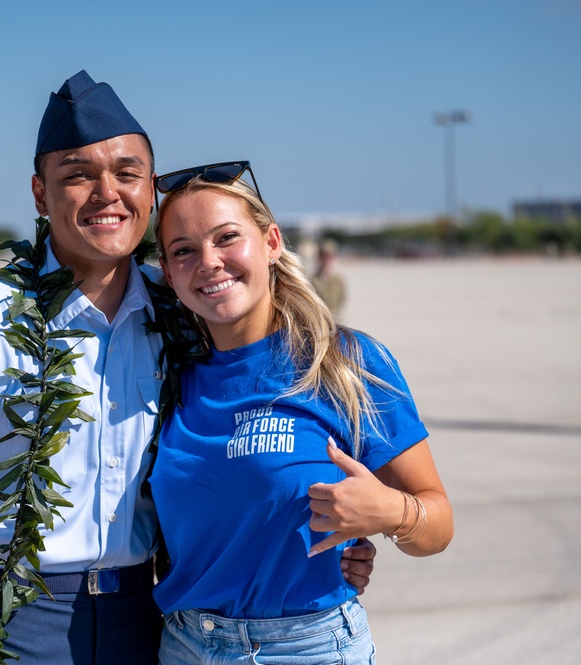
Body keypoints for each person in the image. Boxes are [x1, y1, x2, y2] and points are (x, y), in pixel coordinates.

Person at [0, 73, 375, 665]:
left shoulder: (183, 312)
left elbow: (248, 434)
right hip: (12, 623)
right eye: (76, 176)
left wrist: (327, 543)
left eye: (125, 173)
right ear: (41, 195)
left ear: (150, 188)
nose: (105, 194)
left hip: (151, 622)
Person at [148, 164, 454, 664]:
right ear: (167, 272)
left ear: (271, 243)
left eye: (228, 238)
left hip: (306, 649)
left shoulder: (343, 363)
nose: (209, 262)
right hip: (183, 645)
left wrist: (391, 512)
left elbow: (438, 526)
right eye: (184, 250)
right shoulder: (171, 377)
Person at [312, 238, 347, 322]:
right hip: (318, 323)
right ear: (319, 257)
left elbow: (341, 300)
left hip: (336, 322)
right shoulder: (311, 280)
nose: (327, 260)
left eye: (330, 257)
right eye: (324, 256)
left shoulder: (338, 281)